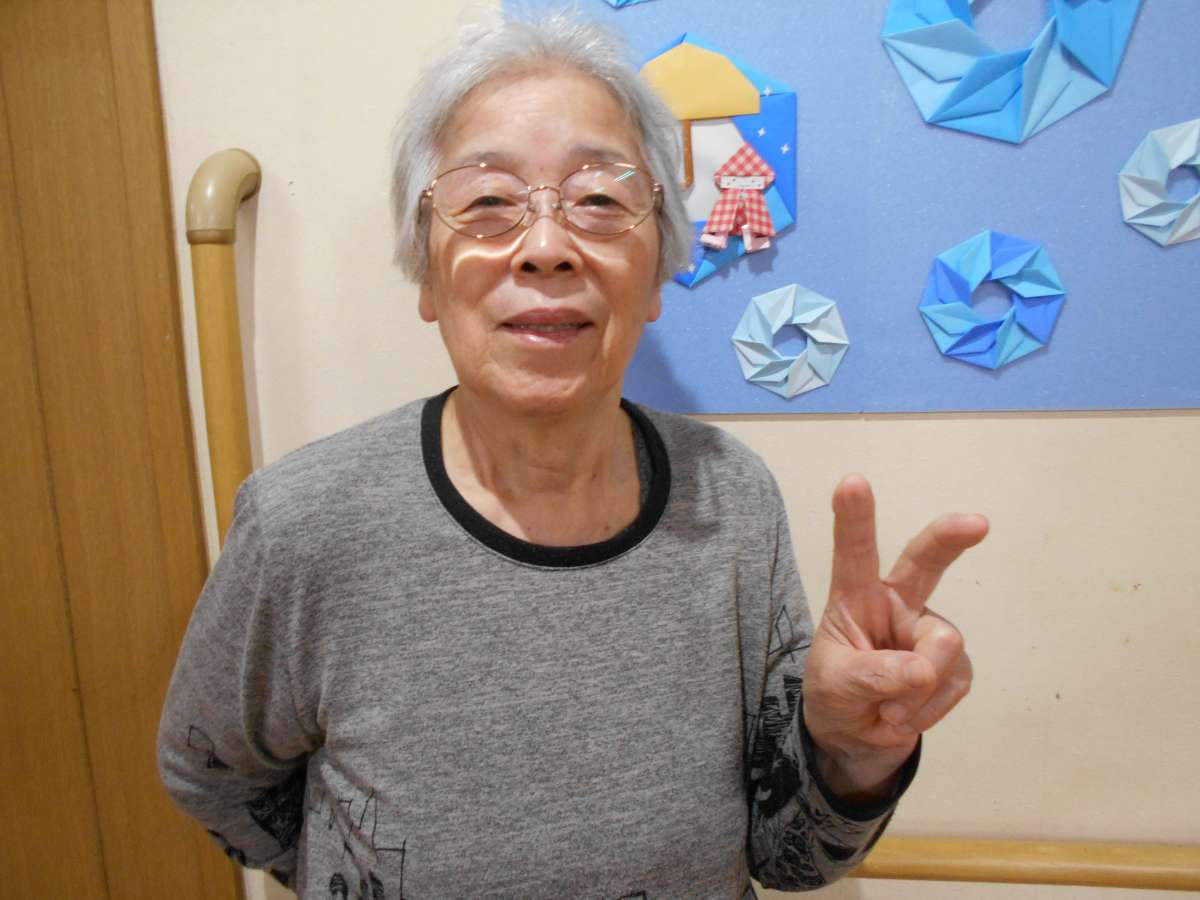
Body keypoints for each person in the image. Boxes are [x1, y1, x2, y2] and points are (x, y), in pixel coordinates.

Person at [158, 12, 987, 898]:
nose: (548, 249)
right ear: (426, 273)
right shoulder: (304, 524)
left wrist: (848, 752)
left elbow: (789, 857)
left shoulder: (731, 500)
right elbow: (211, 774)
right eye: (487, 201)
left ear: (657, 273)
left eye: (599, 200)